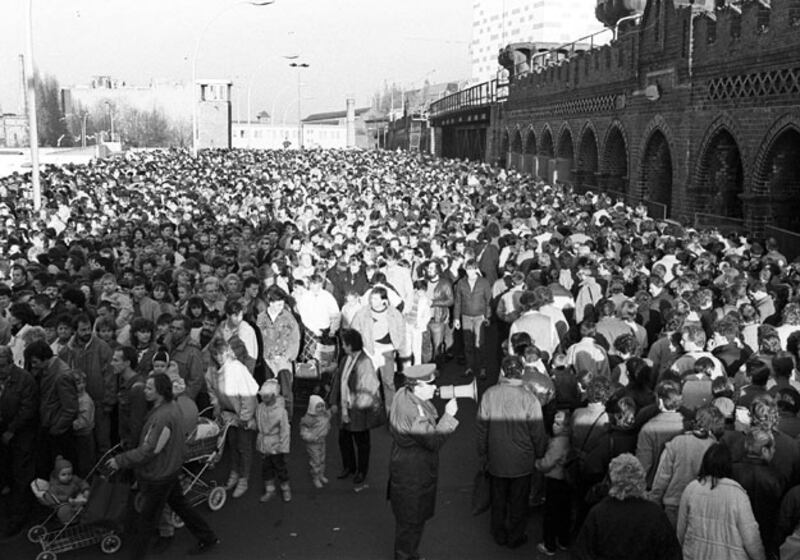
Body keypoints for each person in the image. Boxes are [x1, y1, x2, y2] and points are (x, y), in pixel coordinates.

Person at [107, 373, 219, 559]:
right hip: (170, 469)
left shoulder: (160, 418)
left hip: (159, 476)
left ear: (159, 392)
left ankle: (137, 556)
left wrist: (120, 460)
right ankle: (208, 537)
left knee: (147, 520)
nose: (145, 390)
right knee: (180, 506)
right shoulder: (171, 407)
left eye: (150, 388)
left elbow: (149, 450)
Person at [388, 364, 458, 560]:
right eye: (431, 384)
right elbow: (434, 441)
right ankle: (406, 556)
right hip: (415, 472)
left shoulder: (402, 393)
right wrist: (449, 416)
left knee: (407, 520)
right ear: (417, 386)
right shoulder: (416, 412)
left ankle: (408, 554)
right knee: (411, 523)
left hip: (403, 466)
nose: (435, 387)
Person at [476, 355, 547, 548]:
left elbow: (482, 428)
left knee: (498, 498)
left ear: (503, 371)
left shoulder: (489, 394)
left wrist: (482, 453)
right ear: (521, 372)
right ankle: (515, 535)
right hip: (522, 460)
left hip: (497, 458)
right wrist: (541, 454)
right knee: (519, 500)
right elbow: (537, 432)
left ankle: (498, 532)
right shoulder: (530, 399)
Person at [572, 454, 681, 560]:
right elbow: (671, 554)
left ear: (612, 481)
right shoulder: (656, 515)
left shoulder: (598, 513)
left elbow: (582, 553)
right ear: (640, 479)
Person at [677, 443, 766, 560]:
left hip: (695, 554)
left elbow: (681, 531)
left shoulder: (691, 489)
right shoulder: (737, 493)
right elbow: (750, 536)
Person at [648, 405, 725, 527]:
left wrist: (654, 500)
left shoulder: (677, 442)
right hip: (702, 505)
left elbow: (662, 476)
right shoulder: (715, 447)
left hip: (674, 503)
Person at [328, 328, 384, 489]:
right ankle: (349, 466)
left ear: (351, 345)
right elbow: (338, 381)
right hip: (346, 407)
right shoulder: (345, 359)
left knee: (361, 441)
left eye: (344, 344)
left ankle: (361, 470)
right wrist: (334, 401)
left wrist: (354, 405)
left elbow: (369, 388)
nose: (343, 347)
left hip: (358, 410)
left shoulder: (365, 362)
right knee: (344, 439)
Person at [204, 337, 258, 499]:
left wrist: (245, 416)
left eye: (221, 353)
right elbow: (211, 391)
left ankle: (244, 478)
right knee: (232, 445)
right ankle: (234, 473)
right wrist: (217, 408)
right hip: (227, 414)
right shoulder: (212, 371)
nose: (219, 357)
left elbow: (248, 394)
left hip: (242, 415)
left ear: (227, 352)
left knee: (244, 447)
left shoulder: (237, 369)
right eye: (215, 354)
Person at [25, 340, 78, 478]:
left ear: (44, 358)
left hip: (57, 430)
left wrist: (57, 428)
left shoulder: (62, 375)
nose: (33, 365)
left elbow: (70, 408)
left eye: (35, 362)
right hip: (49, 424)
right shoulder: (47, 370)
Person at [0, 345, 38, 537]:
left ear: (10, 364)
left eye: (1, 367)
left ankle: (19, 517)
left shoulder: (25, 380)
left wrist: (11, 430)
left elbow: (27, 409)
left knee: (21, 474)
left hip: (22, 435)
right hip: (3, 432)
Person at [351, 286, 406, 414]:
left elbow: (401, 330)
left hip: (387, 351)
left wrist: (397, 346)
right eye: (371, 298)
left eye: (375, 299)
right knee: (371, 381)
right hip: (370, 351)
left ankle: (391, 410)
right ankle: (374, 407)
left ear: (384, 301)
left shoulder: (394, 313)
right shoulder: (363, 313)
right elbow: (354, 329)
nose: (372, 301)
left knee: (388, 382)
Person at [534, 410, 571, 556]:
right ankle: (563, 541)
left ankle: (549, 545)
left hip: (555, 481)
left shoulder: (557, 443)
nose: (554, 426)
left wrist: (536, 463)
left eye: (558, 424)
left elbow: (547, 463)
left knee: (551, 515)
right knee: (564, 513)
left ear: (566, 426)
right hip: (567, 481)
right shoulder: (569, 439)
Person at [453, 259, 492, 379]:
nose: (469, 272)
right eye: (467, 269)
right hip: (466, 316)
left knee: (479, 343)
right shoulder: (461, 283)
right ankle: (469, 367)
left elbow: (488, 301)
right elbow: (458, 301)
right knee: (468, 344)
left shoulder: (484, 282)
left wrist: (487, 316)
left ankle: (482, 368)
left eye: (471, 269)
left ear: (476, 269)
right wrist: (456, 318)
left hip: (480, 316)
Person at [255, 379, 291, 503]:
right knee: (266, 469)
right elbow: (257, 422)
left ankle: (285, 488)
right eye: (262, 395)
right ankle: (270, 490)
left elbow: (285, 431)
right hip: (264, 444)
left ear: (274, 395)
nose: (264, 398)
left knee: (280, 468)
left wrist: (283, 447)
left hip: (276, 445)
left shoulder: (281, 412)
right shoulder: (260, 407)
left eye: (267, 396)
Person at [299, 395, 331, 489]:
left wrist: (332, 410)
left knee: (322, 459)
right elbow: (304, 432)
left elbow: (329, 416)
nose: (320, 408)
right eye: (318, 406)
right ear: (312, 407)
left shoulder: (324, 415)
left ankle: (321, 474)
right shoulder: (309, 419)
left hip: (322, 441)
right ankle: (315, 477)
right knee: (316, 460)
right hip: (313, 444)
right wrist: (311, 437)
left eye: (322, 406)